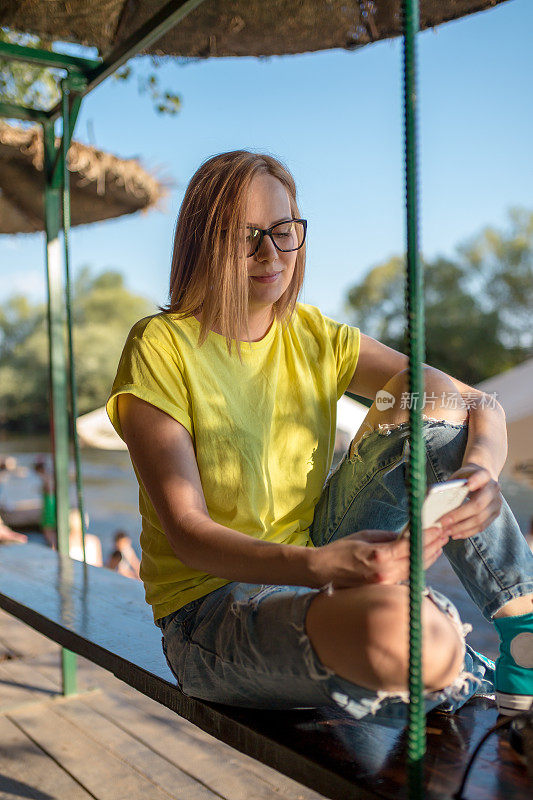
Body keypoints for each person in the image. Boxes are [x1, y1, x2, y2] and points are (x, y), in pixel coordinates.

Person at [107, 151, 533, 724]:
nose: (270, 254)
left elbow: (480, 403)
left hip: (319, 555)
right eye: (245, 236)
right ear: (202, 241)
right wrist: (322, 569)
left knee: (430, 391)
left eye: (284, 232)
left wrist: (479, 470)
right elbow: (187, 533)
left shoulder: (313, 334)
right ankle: (463, 667)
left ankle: (524, 622)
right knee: (411, 640)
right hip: (213, 611)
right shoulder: (161, 346)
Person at [33, 457, 56, 548]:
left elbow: (49, 490)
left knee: (48, 528)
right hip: (51, 502)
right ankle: (53, 546)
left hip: (49, 503)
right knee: (49, 528)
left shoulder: (45, 477)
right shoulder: (49, 475)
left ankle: (53, 547)